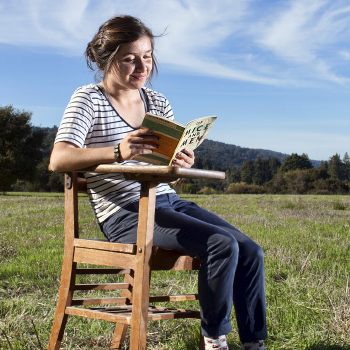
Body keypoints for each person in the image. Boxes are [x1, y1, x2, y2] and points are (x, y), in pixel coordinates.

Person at [50, 15, 268, 350]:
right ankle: (214, 339)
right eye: (130, 59)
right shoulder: (89, 99)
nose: (142, 67)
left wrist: (179, 163)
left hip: (167, 202)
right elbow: (59, 159)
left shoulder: (157, 102)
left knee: (250, 250)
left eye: (147, 56)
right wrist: (118, 151)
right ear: (107, 60)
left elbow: (164, 167)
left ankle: (254, 344)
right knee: (221, 244)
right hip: (125, 215)